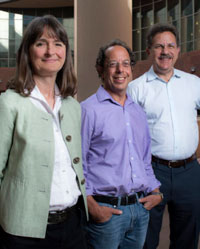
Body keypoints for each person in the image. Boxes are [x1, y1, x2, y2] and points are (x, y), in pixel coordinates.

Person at [0, 15, 88, 249]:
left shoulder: (72, 106)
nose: (51, 51)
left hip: (72, 227)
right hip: (22, 232)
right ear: (28, 52)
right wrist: (4, 214)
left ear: (66, 53)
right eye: (41, 43)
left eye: (58, 43)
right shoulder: (8, 104)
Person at [127, 23, 200, 249]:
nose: (165, 51)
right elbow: (127, 135)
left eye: (171, 46)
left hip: (189, 172)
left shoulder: (194, 84)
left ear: (178, 50)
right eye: (159, 46)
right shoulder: (136, 88)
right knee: (145, 240)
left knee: (187, 240)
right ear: (149, 51)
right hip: (151, 173)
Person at [80, 39, 162, 249]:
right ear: (101, 69)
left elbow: (144, 159)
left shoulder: (138, 112)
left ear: (131, 70)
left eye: (125, 64)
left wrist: (155, 192)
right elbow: (77, 166)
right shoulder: (88, 110)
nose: (120, 70)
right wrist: (92, 208)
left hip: (139, 210)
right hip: (106, 212)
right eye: (112, 64)